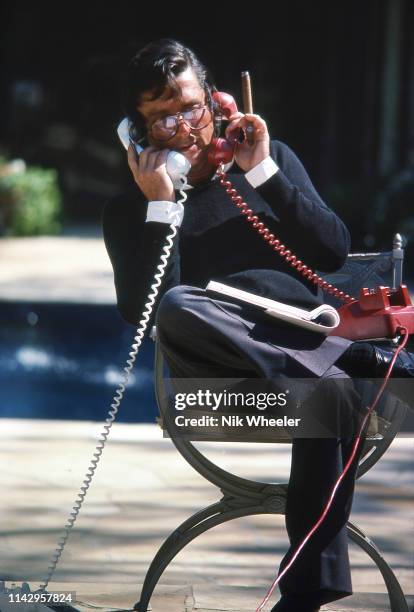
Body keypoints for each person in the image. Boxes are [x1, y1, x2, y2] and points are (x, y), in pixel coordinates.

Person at [103, 39, 413, 612]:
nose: (182, 128)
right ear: (137, 133)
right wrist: (160, 206)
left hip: (307, 371)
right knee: (177, 306)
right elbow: (141, 311)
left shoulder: (266, 166)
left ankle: (303, 597)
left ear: (217, 103)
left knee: (330, 395)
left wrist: (263, 171)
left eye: (189, 107)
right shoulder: (132, 207)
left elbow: (332, 248)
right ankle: (336, 359)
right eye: (160, 119)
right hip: (219, 371)